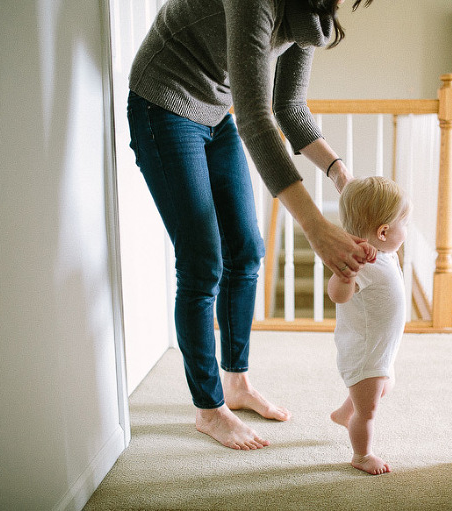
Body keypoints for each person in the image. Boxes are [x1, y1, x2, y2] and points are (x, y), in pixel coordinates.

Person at [126, 0, 376, 450]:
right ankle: (209, 409)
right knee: (202, 262)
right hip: (163, 103)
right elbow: (256, 118)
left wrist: (340, 174)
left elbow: (289, 107)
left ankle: (236, 383)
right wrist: (315, 227)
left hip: (214, 112)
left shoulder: (312, 13)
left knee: (245, 251)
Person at [327, 176, 411, 475]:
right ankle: (361, 455)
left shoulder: (385, 253)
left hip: (380, 348)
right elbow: (337, 294)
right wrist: (346, 274)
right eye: (405, 223)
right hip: (364, 353)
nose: (407, 229)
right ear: (383, 231)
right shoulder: (360, 262)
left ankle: (343, 412)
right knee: (368, 411)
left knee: (385, 386)